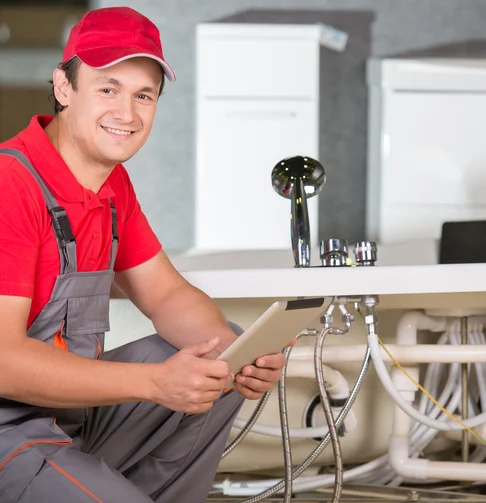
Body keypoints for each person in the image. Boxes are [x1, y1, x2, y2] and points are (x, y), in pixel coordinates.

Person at [0, 6, 289, 503]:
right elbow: (2, 360)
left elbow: (167, 292)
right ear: (64, 87)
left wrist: (236, 358)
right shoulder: (11, 184)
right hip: (8, 434)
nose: (127, 113)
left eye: (144, 95)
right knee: (174, 368)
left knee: (213, 357)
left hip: (68, 423)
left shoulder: (113, 187)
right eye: (108, 88)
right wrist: (155, 384)